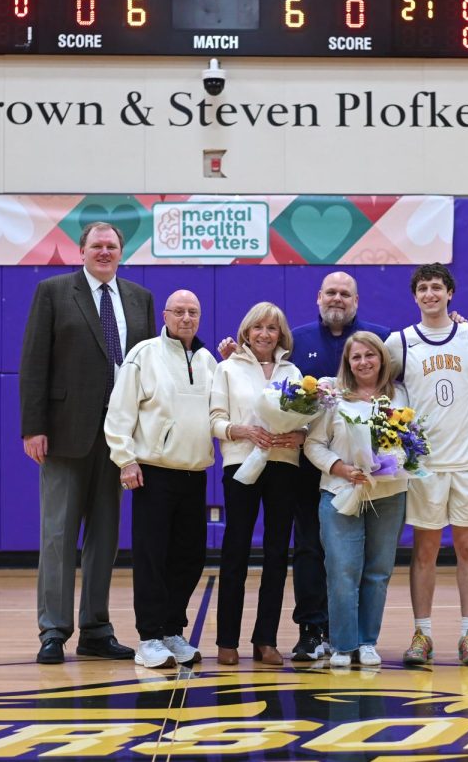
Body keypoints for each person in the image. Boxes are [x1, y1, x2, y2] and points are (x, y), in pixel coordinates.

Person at [19, 221, 155, 665]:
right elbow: (34, 362)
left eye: (111, 246)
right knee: (58, 534)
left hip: (119, 438)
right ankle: (54, 630)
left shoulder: (140, 299)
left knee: (105, 536)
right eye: (96, 245)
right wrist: (33, 426)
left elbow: (152, 368)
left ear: (121, 252)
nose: (104, 251)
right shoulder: (54, 292)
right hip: (63, 433)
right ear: (81, 251)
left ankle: (96, 629)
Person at [385, 262, 468, 666]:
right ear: (415, 297)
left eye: (437, 287)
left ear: (450, 293)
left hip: (467, 459)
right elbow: (388, 392)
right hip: (424, 463)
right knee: (425, 549)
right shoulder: (400, 342)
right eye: (423, 289)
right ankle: (422, 634)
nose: (430, 294)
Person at [104, 290, 217, 670]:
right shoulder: (143, 354)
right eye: (180, 311)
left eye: (193, 312)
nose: (187, 318)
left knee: (189, 557)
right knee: (152, 558)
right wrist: (125, 460)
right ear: (165, 315)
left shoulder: (207, 360)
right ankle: (149, 637)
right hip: (152, 472)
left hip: (194, 473)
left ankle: (172, 630)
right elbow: (120, 411)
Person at [283, 272, 390, 661]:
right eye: (331, 292)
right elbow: (274, 384)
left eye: (345, 293)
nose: (338, 299)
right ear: (318, 297)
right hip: (312, 464)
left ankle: (355, 634)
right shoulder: (297, 339)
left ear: (357, 300)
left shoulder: (381, 338)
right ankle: (312, 629)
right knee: (311, 548)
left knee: (360, 557)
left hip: (370, 473)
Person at [303, 331, 408, 668]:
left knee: (377, 571)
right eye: (356, 357)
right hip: (340, 491)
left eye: (370, 355)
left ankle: (367, 642)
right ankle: (343, 644)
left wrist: (394, 465)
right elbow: (313, 444)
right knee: (342, 570)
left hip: (388, 493)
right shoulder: (334, 397)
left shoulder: (399, 395)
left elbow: (413, 440)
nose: (364, 362)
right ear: (348, 363)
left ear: (382, 358)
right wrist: (342, 469)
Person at [210, 302, 306, 666]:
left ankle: (265, 639)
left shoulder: (293, 371)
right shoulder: (227, 369)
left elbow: (306, 422)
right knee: (235, 551)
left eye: (272, 328)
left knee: (278, 554)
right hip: (241, 465)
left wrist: (296, 435)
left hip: (283, 465)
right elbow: (215, 420)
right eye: (258, 328)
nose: (265, 334)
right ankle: (226, 640)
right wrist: (244, 430)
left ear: (281, 334)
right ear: (246, 331)